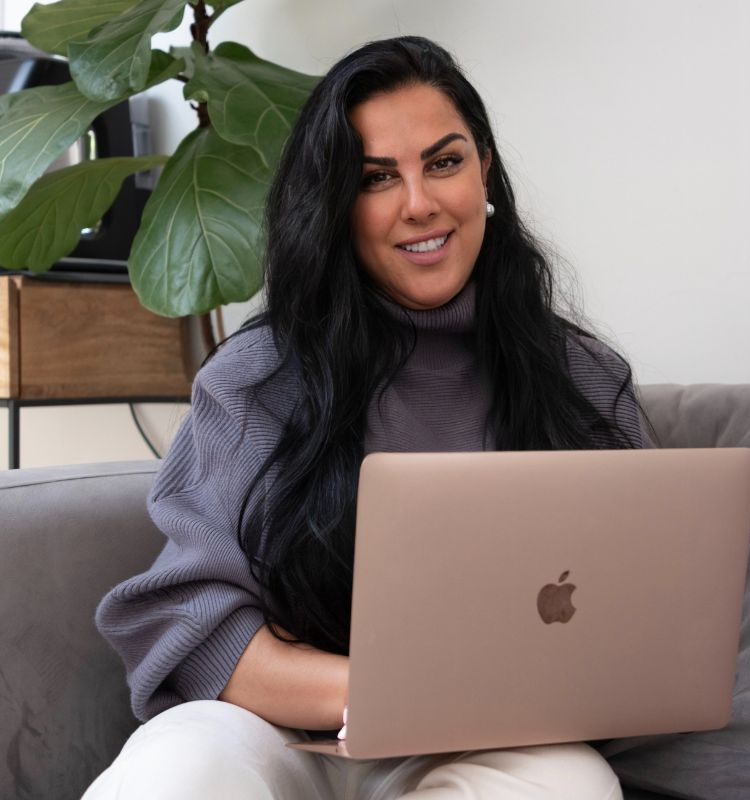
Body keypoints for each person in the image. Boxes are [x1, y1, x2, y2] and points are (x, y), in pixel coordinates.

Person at [82, 36, 650, 799]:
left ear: (485, 168)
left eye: (444, 162)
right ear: (337, 206)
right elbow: (193, 623)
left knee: (571, 786)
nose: (419, 203)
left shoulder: (582, 377)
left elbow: (638, 624)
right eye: (376, 178)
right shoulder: (256, 378)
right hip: (278, 730)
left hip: (487, 741)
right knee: (179, 772)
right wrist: (389, 691)